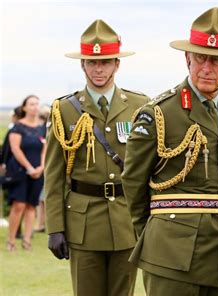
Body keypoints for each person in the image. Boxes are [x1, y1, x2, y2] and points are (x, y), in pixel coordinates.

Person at [122, 7, 218, 295]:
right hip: (171, 253)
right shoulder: (158, 112)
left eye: (217, 61)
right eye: (200, 58)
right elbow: (133, 182)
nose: (207, 68)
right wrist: (154, 235)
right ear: (187, 59)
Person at [44, 19, 149, 296]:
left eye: (105, 62)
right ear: (82, 65)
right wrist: (55, 228)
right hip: (83, 224)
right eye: (92, 62)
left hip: (127, 221)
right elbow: (54, 175)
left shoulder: (140, 106)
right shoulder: (64, 110)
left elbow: (152, 168)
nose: (98, 69)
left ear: (117, 64)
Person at [6, 95, 46, 251]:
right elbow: (15, 150)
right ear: (24, 108)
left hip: (38, 171)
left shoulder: (42, 128)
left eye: (37, 104)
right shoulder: (18, 127)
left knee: (31, 205)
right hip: (21, 171)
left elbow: (45, 150)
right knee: (19, 205)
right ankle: (11, 240)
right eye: (31, 104)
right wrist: (29, 168)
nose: (35, 107)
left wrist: (41, 168)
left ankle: (27, 240)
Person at [35, 104, 51, 233]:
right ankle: (41, 223)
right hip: (44, 167)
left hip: (44, 168)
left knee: (43, 199)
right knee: (42, 199)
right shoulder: (46, 128)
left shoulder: (43, 130)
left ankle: (42, 224)